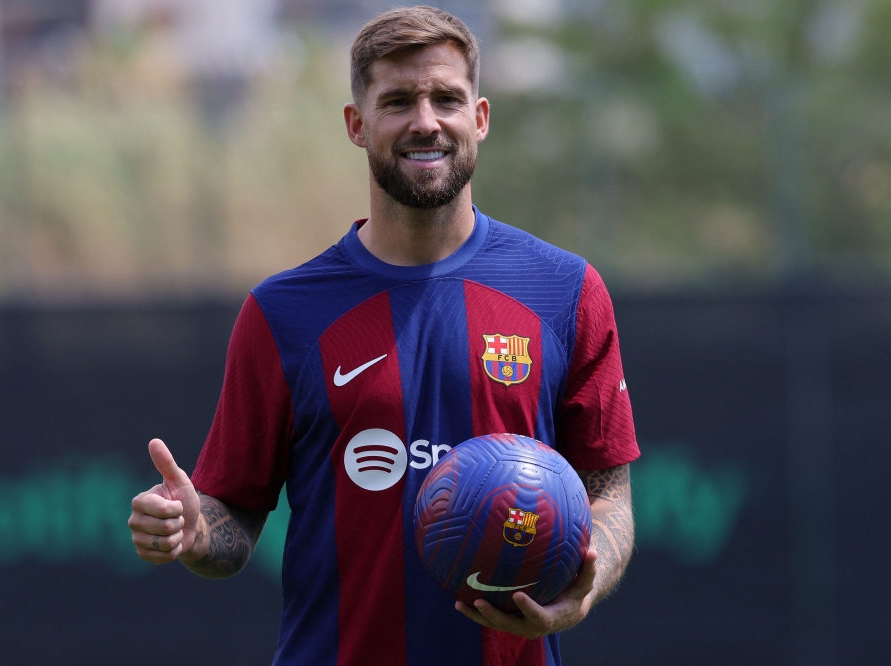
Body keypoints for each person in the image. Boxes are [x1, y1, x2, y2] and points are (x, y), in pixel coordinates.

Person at [128, 6, 639, 665]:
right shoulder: (282, 313)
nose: (425, 121)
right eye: (397, 100)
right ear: (356, 124)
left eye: (446, 98)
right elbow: (231, 518)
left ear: (479, 118)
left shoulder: (566, 291)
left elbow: (608, 492)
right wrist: (195, 531)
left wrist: (588, 577)